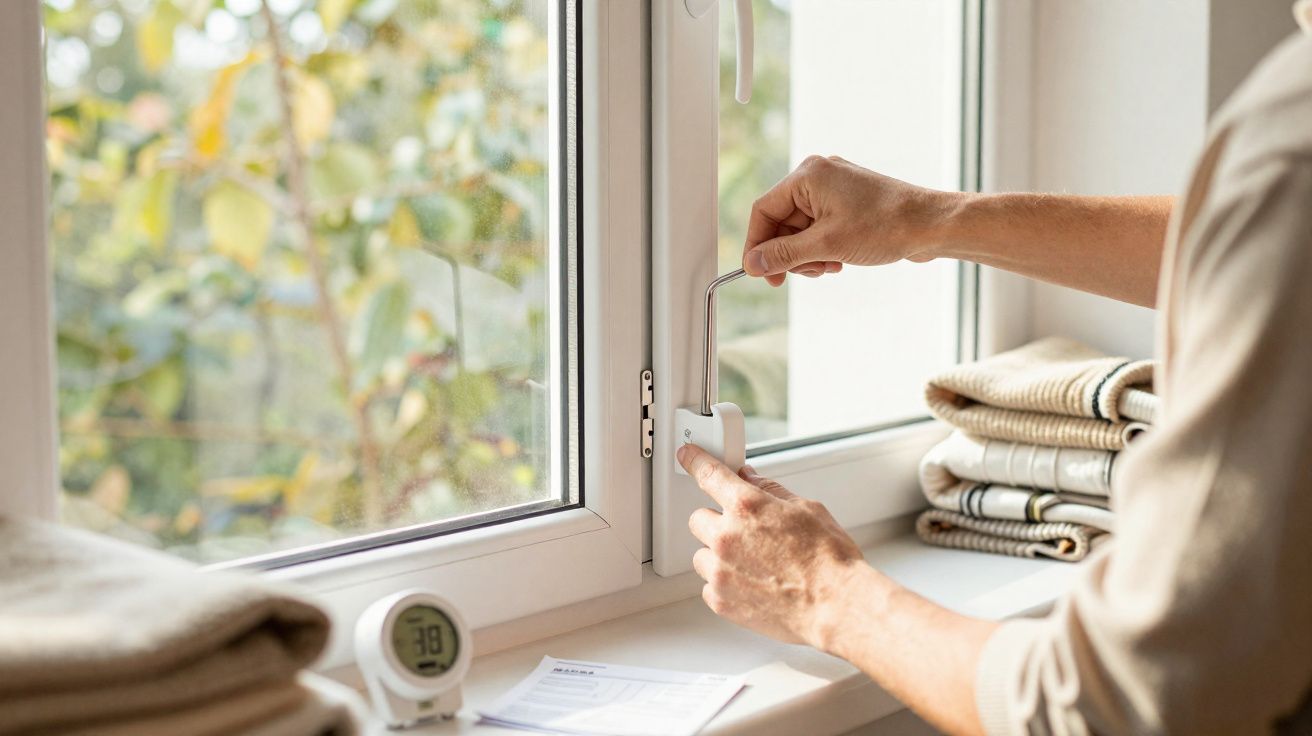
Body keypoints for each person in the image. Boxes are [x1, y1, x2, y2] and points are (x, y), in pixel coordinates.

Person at [674, 19, 1312, 736]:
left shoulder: (1291, 144)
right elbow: (1228, 243)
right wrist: (927, 219)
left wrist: (826, 594)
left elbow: (1120, 707)